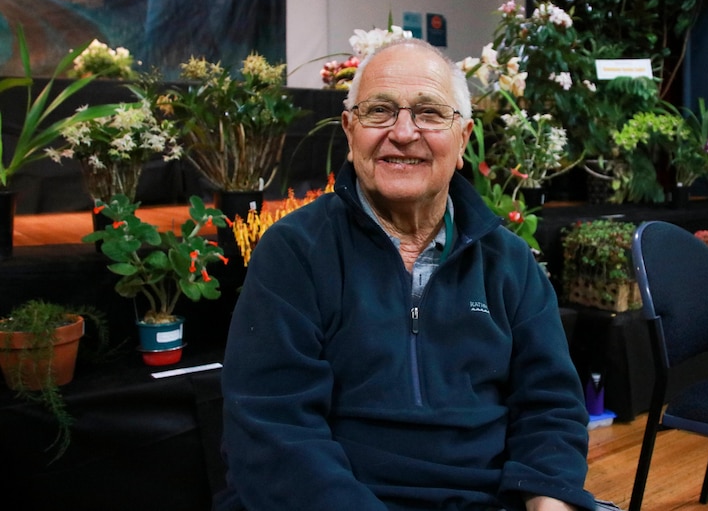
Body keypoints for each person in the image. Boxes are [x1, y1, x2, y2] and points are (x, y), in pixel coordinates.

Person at [217, 39, 598, 511]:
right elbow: (272, 432)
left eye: (430, 113)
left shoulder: (509, 262)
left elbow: (551, 407)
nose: (402, 132)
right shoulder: (295, 252)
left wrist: (548, 498)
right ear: (350, 130)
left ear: (463, 139)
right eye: (379, 110)